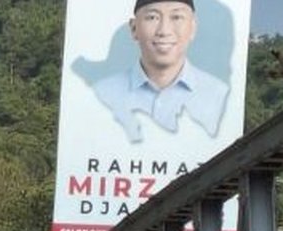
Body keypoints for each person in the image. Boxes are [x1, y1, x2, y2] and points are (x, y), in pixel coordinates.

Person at [89, 0, 229, 143]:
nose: (164, 31)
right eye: (152, 17)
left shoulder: (220, 96)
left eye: (176, 17)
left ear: (193, 28)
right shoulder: (101, 94)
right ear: (134, 28)